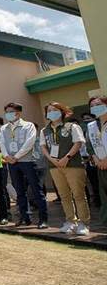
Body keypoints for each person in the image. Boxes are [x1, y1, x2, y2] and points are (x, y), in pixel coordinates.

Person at [40, 102, 89, 235]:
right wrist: (52, 160)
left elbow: (78, 143)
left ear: (62, 111)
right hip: (54, 167)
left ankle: (83, 223)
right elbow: (44, 147)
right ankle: (70, 221)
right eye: (49, 110)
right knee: (64, 195)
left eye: (55, 110)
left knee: (78, 195)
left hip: (73, 164)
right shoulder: (45, 130)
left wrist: (67, 157)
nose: (51, 112)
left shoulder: (72, 126)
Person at [0, 102, 48, 229]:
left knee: (36, 190)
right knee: (19, 191)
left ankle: (43, 219)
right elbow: (2, 143)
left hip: (27, 162)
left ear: (18, 113)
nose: (8, 114)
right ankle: (24, 217)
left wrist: (17, 156)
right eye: (7, 112)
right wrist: (6, 156)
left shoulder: (28, 125)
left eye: (11, 111)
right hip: (12, 163)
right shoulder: (4, 129)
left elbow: (30, 142)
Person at [86, 96, 107, 227]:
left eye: (98, 104)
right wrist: (96, 160)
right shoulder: (91, 126)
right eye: (92, 106)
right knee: (104, 195)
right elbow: (89, 146)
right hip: (100, 166)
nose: (95, 108)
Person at [81, 112, 100, 208]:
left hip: (99, 158)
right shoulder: (83, 132)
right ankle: (98, 201)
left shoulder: (97, 130)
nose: (86, 121)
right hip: (87, 161)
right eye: (84, 119)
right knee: (93, 182)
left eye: (88, 118)